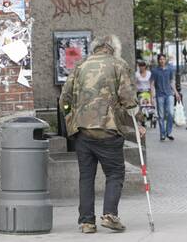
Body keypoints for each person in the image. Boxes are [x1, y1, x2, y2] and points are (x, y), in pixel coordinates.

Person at [59, 35, 146, 234]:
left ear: (95, 48)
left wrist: (70, 117)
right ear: (113, 48)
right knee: (115, 173)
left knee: (86, 176)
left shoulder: (80, 66)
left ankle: (87, 222)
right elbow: (128, 99)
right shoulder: (118, 64)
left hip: (82, 131)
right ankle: (109, 215)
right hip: (108, 129)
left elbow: (65, 97)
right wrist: (137, 122)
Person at [150, 54, 181, 141]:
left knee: (171, 113)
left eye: (163, 59)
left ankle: (169, 132)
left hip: (169, 94)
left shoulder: (170, 69)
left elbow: (172, 82)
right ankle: (162, 134)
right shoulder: (155, 71)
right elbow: (152, 84)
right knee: (161, 115)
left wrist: (176, 93)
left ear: (165, 60)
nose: (162, 61)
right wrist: (152, 97)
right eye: (160, 59)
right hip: (159, 95)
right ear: (158, 60)